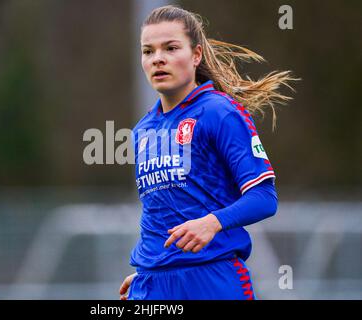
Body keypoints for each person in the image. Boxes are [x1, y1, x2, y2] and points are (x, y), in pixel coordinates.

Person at [119, 5, 297, 300]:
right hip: (153, 285)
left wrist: (213, 222)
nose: (158, 59)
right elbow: (162, 211)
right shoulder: (142, 130)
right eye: (148, 51)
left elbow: (264, 198)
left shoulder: (219, 112)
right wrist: (151, 270)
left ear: (196, 55)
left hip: (212, 279)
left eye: (171, 48)